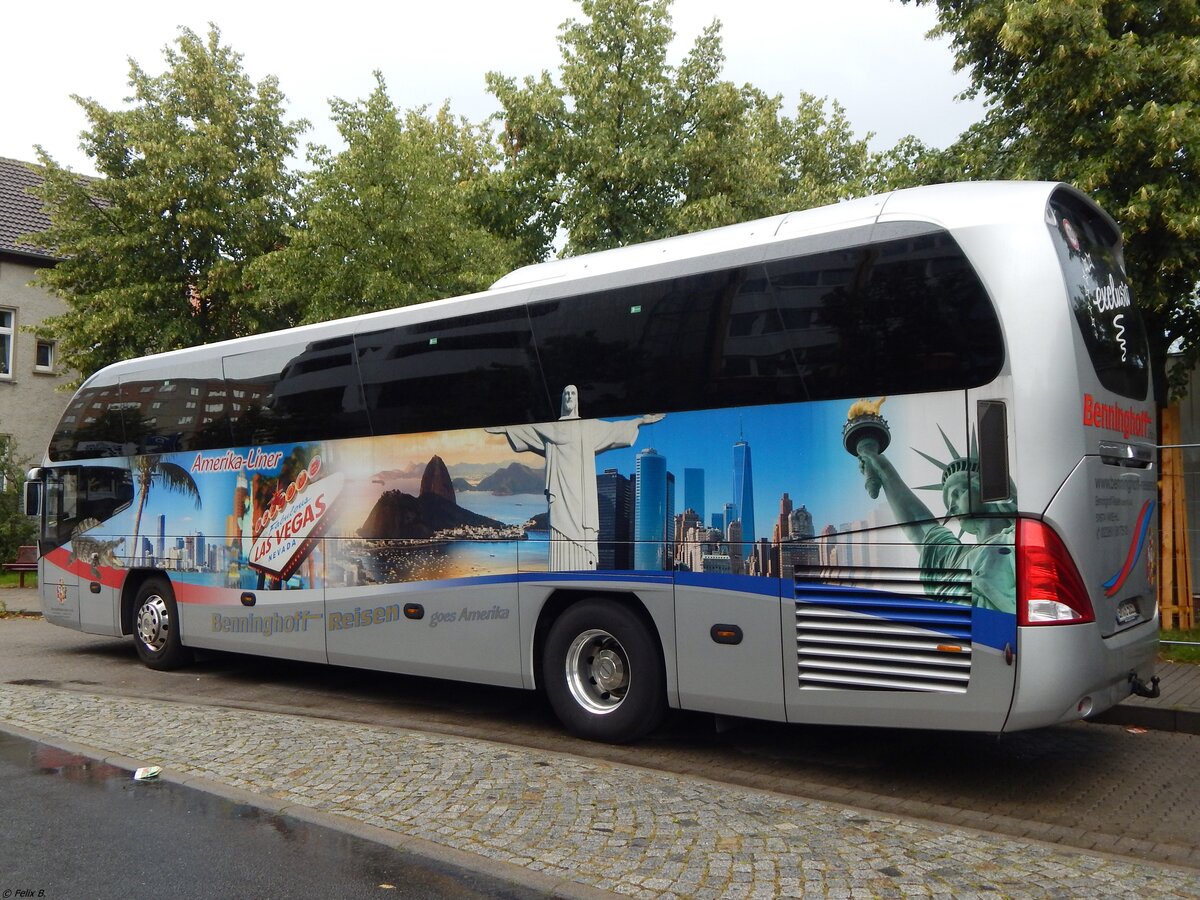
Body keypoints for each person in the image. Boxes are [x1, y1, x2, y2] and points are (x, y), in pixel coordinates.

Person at [488, 386, 663, 571]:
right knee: (560, 530)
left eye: (573, 393)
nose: (569, 397)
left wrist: (639, 421)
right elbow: (527, 430)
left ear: (577, 399)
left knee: (582, 531)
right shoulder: (551, 429)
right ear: (562, 399)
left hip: (582, 496)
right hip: (560, 494)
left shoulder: (588, 427)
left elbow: (615, 429)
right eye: (566, 394)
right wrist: (505, 428)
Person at [855, 432, 1016, 613]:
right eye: (949, 503)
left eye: (957, 494)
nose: (951, 508)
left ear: (985, 489)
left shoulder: (1017, 539)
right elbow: (917, 522)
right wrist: (881, 467)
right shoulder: (954, 560)